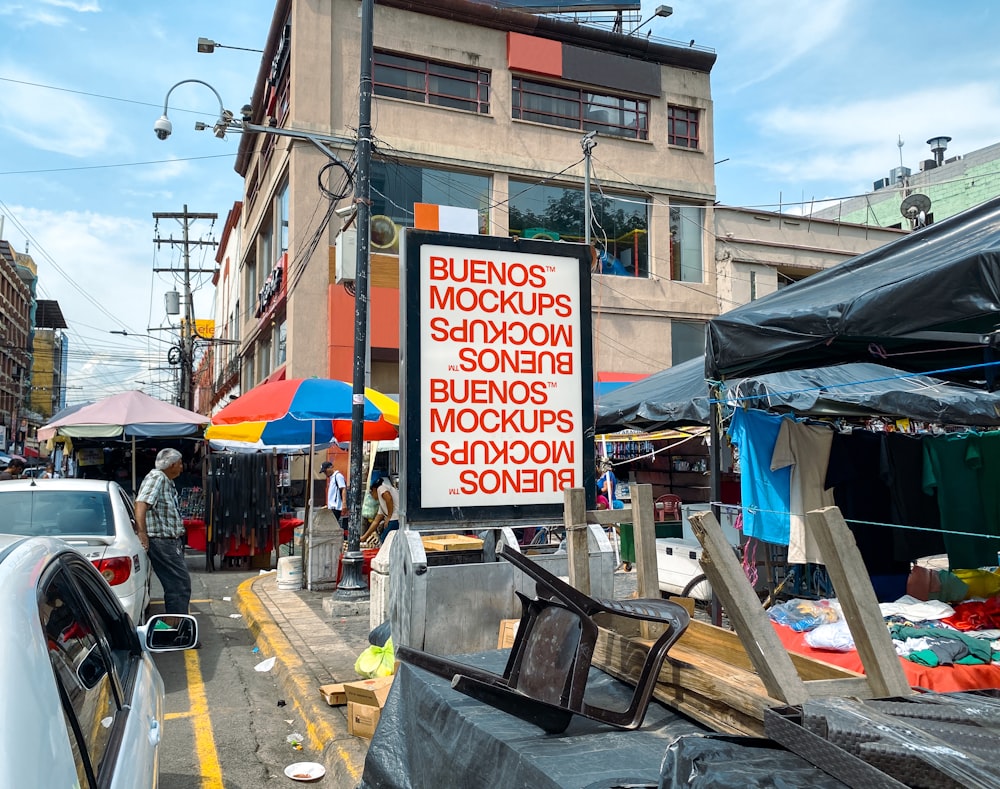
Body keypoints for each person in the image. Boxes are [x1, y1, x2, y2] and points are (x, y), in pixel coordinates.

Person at [135, 448, 192, 616]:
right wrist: (142, 533)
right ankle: (177, 632)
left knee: (178, 585)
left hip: (169, 541)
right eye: (180, 464)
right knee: (179, 585)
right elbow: (141, 503)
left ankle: (173, 628)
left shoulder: (166, 480)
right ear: (172, 464)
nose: (182, 468)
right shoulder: (157, 477)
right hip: (161, 541)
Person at [361, 472, 400, 546]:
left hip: (395, 518)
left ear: (373, 489)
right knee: (383, 540)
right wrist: (364, 537)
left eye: (371, 493)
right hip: (393, 519)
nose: (372, 496)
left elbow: (388, 498)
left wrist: (389, 516)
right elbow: (376, 521)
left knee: (385, 541)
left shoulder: (381, 488)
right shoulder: (381, 504)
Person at [320, 461, 348, 534]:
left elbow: (343, 489)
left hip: (336, 507)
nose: (325, 473)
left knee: (332, 528)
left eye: (325, 470)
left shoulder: (338, 476)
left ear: (330, 468)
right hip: (332, 507)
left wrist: (344, 504)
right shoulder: (332, 478)